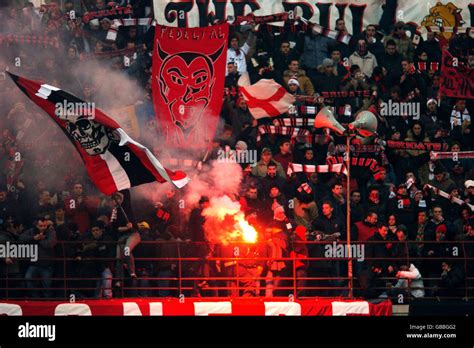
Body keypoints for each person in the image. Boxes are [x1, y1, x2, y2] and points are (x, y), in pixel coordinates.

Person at [20, 218, 57, 298]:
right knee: (28, 279)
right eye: (41, 226)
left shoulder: (51, 232)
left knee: (47, 286)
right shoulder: (31, 231)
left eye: (45, 225)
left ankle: (47, 303)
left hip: (47, 264)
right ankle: (36, 297)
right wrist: (33, 238)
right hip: (34, 263)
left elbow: (50, 244)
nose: (43, 227)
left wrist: (38, 240)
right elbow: (21, 238)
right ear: (37, 225)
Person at [110, 191, 140, 288]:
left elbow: (127, 194)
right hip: (122, 236)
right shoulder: (114, 211)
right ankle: (119, 280)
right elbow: (115, 227)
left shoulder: (126, 207)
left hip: (133, 234)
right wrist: (126, 228)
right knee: (118, 257)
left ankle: (132, 272)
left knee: (127, 249)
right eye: (114, 199)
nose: (116, 201)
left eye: (117, 199)